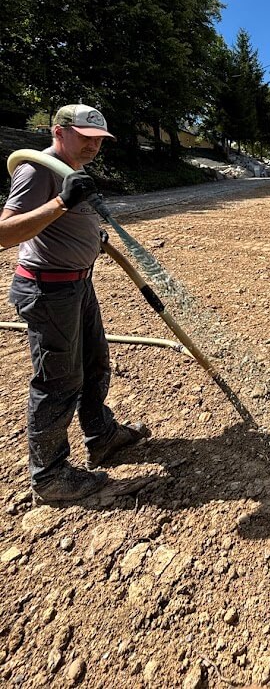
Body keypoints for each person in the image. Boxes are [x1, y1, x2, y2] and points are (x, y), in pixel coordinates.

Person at [0, 104, 149, 505]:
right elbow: (3, 233)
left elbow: (65, 223)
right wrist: (61, 204)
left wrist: (89, 233)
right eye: (86, 138)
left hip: (77, 285)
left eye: (99, 140)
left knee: (96, 363)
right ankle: (49, 477)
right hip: (48, 291)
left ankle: (101, 435)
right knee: (59, 381)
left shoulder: (72, 170)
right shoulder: (37, 170)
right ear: (59, 131)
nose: (94, 146)